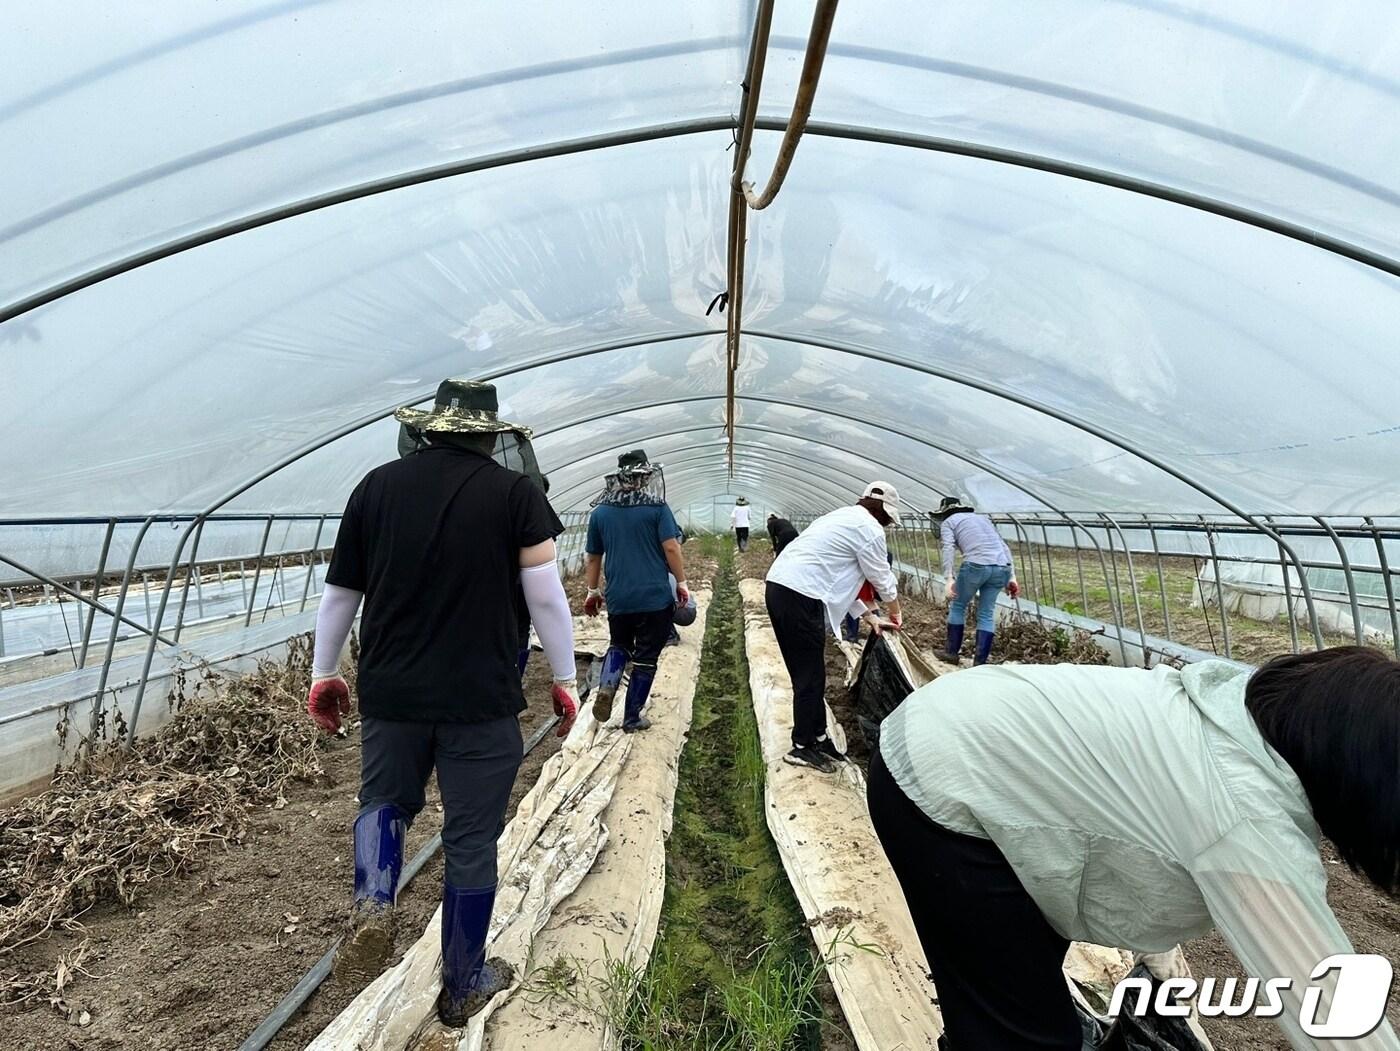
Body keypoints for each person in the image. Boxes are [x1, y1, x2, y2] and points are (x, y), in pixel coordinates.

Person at [869, 648, 1400, 1050]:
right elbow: (1332, 1010)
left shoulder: (1241, 708)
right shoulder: (1243, 814)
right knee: (1029, 1035)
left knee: (1009, 985)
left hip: (972, 732)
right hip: (943, 781)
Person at [306, 379, 580, 1028]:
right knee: (470, 838)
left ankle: (375, 895)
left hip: (393, 692)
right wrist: (565, 676)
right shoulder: (516, 494)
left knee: (384, 802)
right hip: (479, 700)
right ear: (491, 436)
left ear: (426, 429)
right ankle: (463, 984)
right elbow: (545, 597)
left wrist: (324, 673)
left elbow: (341, 594)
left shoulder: (375, 487)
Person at [765, 482, 903, 773]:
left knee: (813, 671)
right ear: (883, 513)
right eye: (889, 519)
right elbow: (881, 576)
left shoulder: (840, 517)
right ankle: (801, 746)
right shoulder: (869, 529)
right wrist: (895, 611)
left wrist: (871, 617)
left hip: (787, 588)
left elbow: (839, 582)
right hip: (799, 594)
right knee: (808, 675)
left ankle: (819, 737)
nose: (889, 525)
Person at [583, 449, 690, 733]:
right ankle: (631, 717)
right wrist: (680, 582)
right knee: (645, 657)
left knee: (618, 645)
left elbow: (593, 557)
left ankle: (607, 686)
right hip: (654, 597)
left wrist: (593, 592)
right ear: (644, 477)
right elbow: (671, 547)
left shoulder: (601, 512)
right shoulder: (657, 508)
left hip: (619, 597)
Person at [935, 495, 1019, 666]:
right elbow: (1003, 546)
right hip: (1002, 567)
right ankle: (979, 663)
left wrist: (949, 578)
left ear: (945, 512)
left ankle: (951, 653)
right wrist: (1012, 577)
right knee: (986, 613)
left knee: (958, 605)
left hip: (976, 566)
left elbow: (948, 548)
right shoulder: (982, 519)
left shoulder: (949, 522)